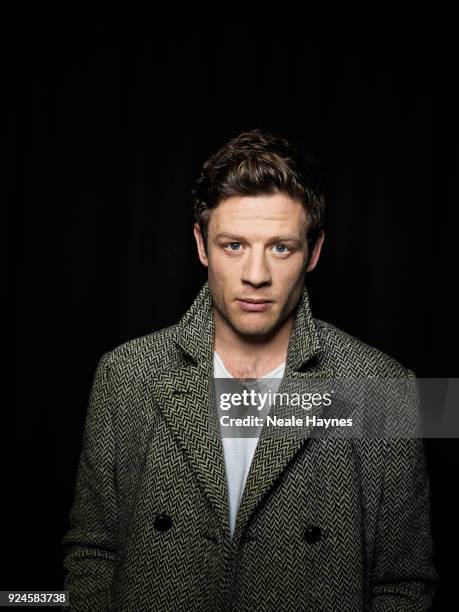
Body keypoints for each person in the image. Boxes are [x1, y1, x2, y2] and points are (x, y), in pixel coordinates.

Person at [62, 129, 438, 611]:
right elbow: (93, 552)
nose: (256, 275)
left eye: (280, 247)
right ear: (202, 246)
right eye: (234, 245)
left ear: (314, 251)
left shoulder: (383, 387)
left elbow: (403, 583)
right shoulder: (126, 374)